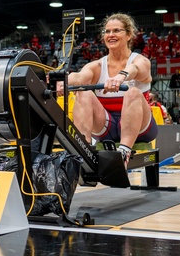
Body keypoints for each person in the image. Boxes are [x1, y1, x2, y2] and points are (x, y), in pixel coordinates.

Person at [63, 13, 157, 165]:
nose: (110, 35)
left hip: (141, 128)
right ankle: (83, 152)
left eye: (116, 31)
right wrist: (60, 81)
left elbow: (136, 68)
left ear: (128, 35)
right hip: (107, 127)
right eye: (107, 31)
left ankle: (123, 155)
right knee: (83, 91)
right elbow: (79, 77)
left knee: (133, 92)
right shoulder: (98, 66)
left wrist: (121, 76)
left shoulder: (140, 60)